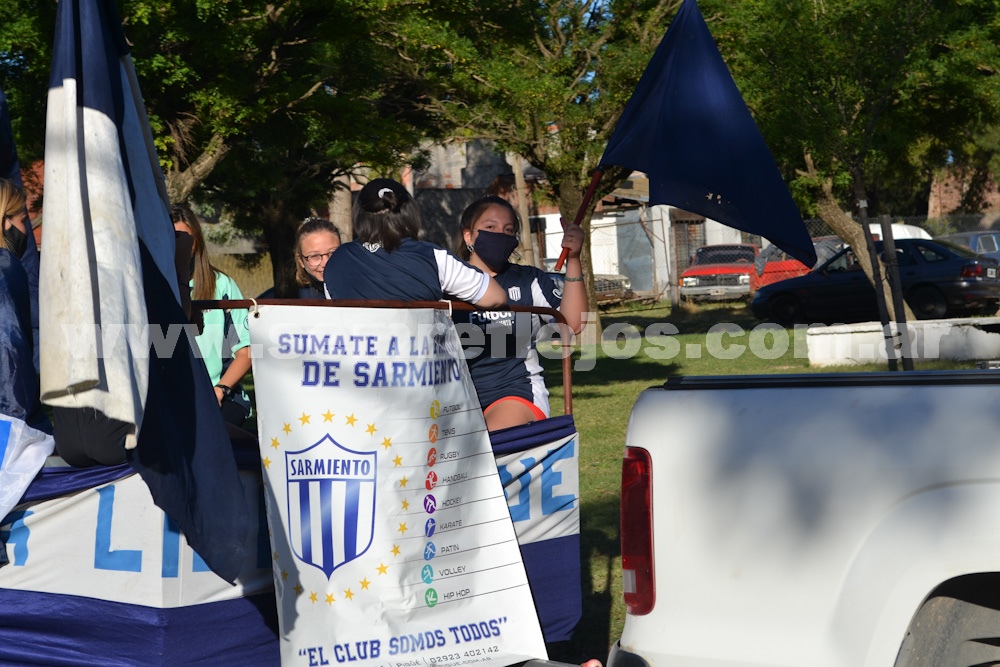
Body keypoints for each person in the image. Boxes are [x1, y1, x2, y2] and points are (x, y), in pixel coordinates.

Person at [453, 195, 586, 431]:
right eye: (490, 227)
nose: (500, 235)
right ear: (468, 235)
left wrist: (573, 259)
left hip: (515, 392)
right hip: (454, 397)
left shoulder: (529, 280)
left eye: (508, 230)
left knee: (486, 446)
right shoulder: (446, 281)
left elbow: (573, 324)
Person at [324, 178, 506, 307]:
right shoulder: (432, 257)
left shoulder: (336, 261)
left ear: (359, 216)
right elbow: (495, 296)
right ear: (410, 213)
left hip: (357, 361)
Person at [171, 205, 253, 427]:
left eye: (185, 239)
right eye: (173, 238)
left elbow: (246, 352)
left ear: (197, 241)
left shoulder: (222, 285)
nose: (180, 246)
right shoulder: (152, 287)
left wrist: (219, 390)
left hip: (222, 397)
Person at [294, 217, 341, 298]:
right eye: (315, 256)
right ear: (301, 261)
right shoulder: (299, 301)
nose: (325, 263)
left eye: (333, 253)